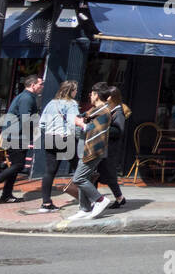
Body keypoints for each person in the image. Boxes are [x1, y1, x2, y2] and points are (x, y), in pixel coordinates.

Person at [0, 74, 44, 204]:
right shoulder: (27, 98)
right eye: (40, 84)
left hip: (16, 135)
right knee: (18, 165)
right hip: (17, 136)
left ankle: (6, 195)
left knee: (15, 165)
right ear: (33, 85)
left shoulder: (24, 96)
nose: (42, 87)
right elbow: (26, 118)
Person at [31, 81, 80, 214]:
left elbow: (41, 124)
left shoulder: (51, 103)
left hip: (49, 138)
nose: (76, 92)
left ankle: (46, 203)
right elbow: (74, 123)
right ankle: (88, 200)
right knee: (80, 169)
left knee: (49, 172)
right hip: (65, 138)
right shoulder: (72, 104)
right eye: (75, 90)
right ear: (71, 91)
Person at [68, 83, 114, 221]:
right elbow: (81, 117)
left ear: (97, 95)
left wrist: (80, 123)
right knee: (85, 178)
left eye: (92, 94)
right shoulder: (96, 110)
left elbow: (90, 129)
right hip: (86, 149)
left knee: (78, 178)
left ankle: (100, 200)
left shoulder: (103, 111)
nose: (90, 96)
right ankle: (85, 208)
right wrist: (78, 120)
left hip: (93, 150)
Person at [96, 86, 130, 208]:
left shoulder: (118, 112)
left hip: (111, 149)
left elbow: (119, 131)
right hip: (105, 147)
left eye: (107, 96)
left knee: (109, 174)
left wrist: (101, 127)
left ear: (112, 97)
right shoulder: (111, 110)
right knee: (98, 173)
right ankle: (95, 200)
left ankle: (118, 198)